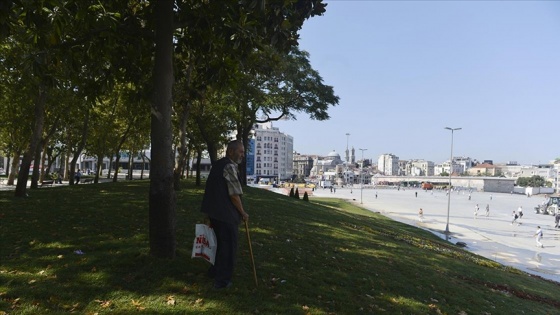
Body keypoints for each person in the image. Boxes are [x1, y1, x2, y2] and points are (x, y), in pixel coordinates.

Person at [201, 140, 249, 289]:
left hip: (214, 212)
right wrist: (242, 212)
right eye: (240, 151)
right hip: (226, 214)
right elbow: (234, 194)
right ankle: (222, 281)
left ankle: (214, 272)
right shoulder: (229, 166)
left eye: (243, 152)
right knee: (228, 248)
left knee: (219, 245)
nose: (243, 155)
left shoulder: (218, 164)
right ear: (230, 151)